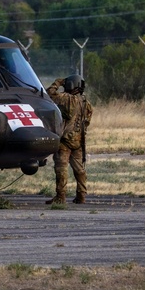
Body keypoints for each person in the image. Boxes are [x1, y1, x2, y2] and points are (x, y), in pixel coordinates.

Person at [46, 74, 93, 204]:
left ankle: (60, 197)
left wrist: (58, 82)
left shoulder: (67, 99)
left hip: (65, 141)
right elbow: (86, 122)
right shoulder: (86, 103)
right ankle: (81, 195)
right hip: (79, 141)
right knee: (79, 169)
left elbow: (49, 93)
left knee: (61, 168)